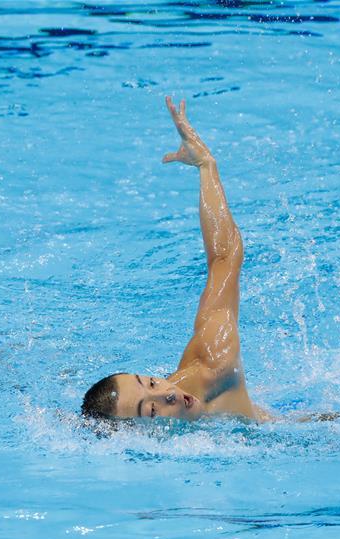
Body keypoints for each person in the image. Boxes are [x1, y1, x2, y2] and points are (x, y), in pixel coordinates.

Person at [81, 97, 270, 423]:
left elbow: (225, 258)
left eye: (152, 382)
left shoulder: (214, 363)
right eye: (152, 409)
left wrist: (207, 167)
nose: (168, 394)